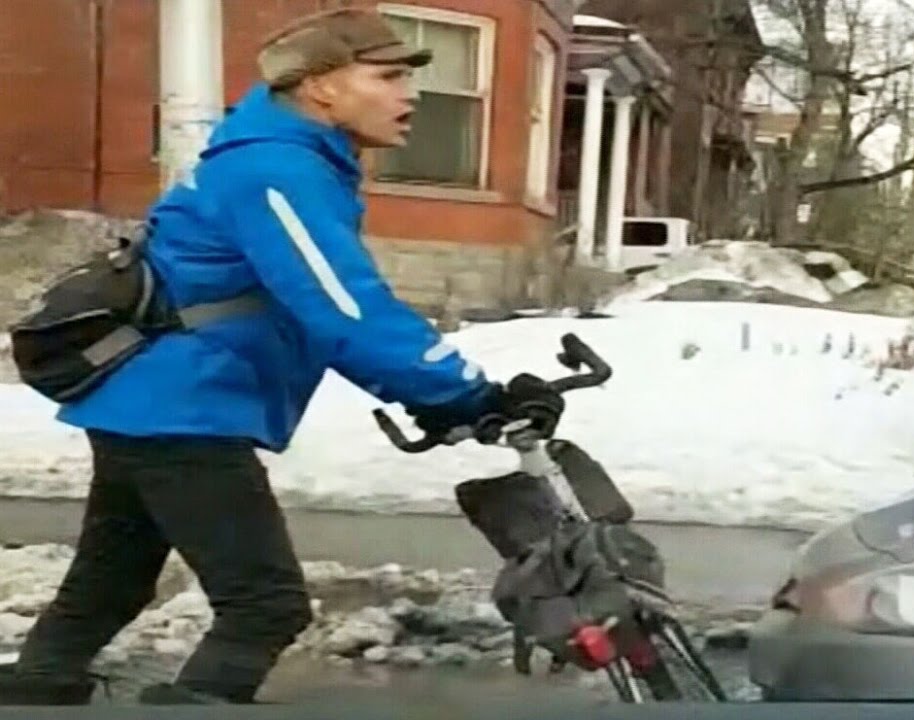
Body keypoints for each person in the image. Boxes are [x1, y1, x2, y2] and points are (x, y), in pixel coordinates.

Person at [0, 9, 563, 706]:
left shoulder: (280, 159)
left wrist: (427, 394)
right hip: (183, 409)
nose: (409, 94)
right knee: (264, 606)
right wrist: (465, 391)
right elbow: (344, 305)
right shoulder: (277, 169)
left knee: (112, 580)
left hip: (152, 401)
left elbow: (313, 315)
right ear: (322, 86)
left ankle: (37, 687)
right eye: (386, 77)